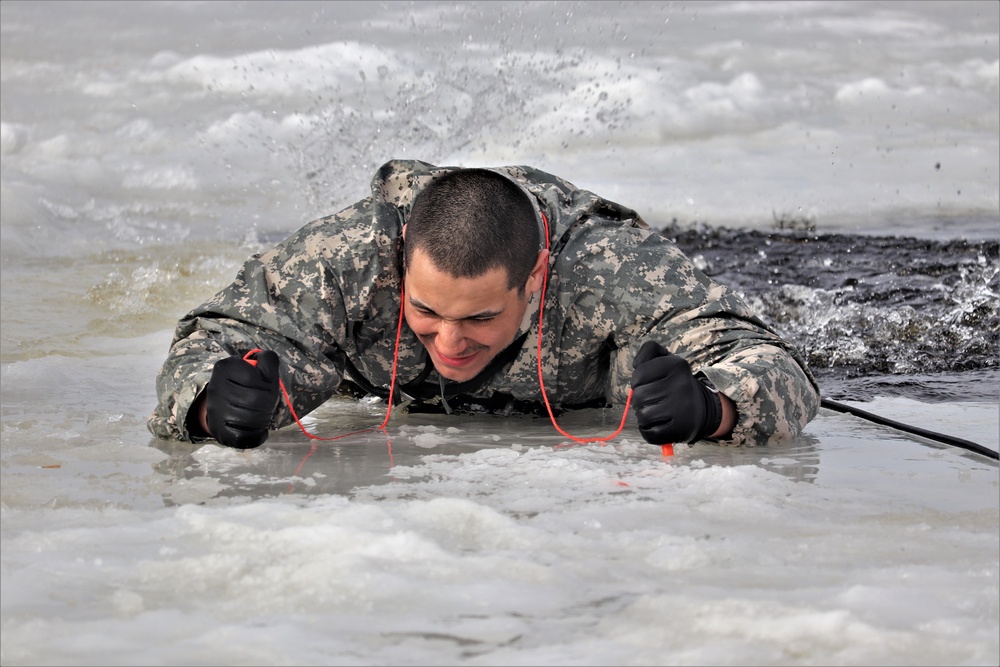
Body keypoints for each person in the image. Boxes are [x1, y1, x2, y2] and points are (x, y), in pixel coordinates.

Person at [148, 159, 820, 449]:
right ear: (401, 260)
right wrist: (211, 399)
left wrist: (714, 405)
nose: (448, 341)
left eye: (479, 318)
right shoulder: (350, 257)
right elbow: (214, 333)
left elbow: (775, 364)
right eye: (427, 312)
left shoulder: (614, 271)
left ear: (536, 280)